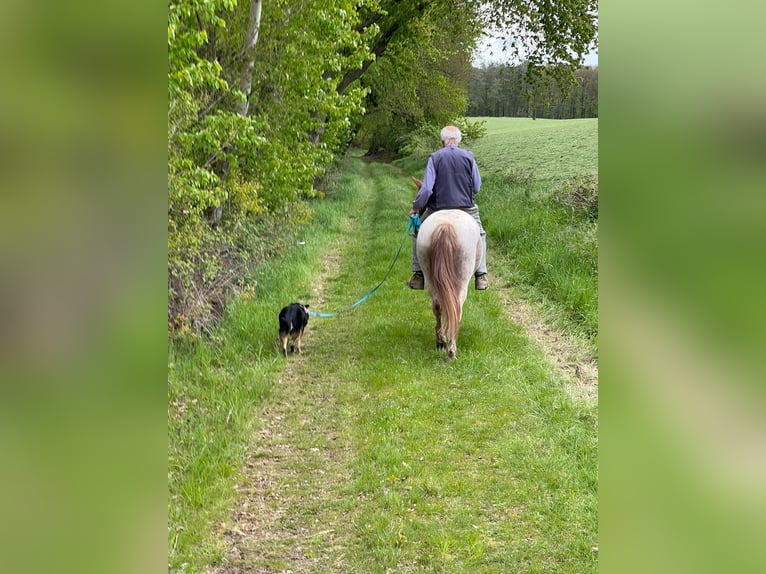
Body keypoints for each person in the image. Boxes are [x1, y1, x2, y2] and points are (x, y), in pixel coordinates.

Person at [407, 125, 488, 290]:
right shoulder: (469, 157)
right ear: (458, 140)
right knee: (480, 233)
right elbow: (477, 187)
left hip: (438, 208)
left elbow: (427, 189)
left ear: (442, 140)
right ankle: (481, 275)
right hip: (466, 207)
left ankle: (418, 275)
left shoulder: (435, 157)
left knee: (417, 232)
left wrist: (416, 207)